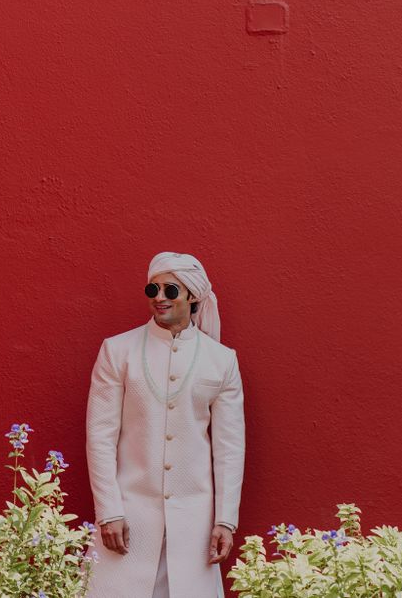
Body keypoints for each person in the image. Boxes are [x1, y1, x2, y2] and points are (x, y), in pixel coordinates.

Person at [85, 252, 246, 598]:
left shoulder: (221, 360)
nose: (159, 297)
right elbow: (100, 437)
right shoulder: (118, 351)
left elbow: (229, 448)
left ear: (192, 296)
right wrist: (109, 511)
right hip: (129, 517)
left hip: (194, 524)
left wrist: (225, 520)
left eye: (170, 290)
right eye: (152, 289)